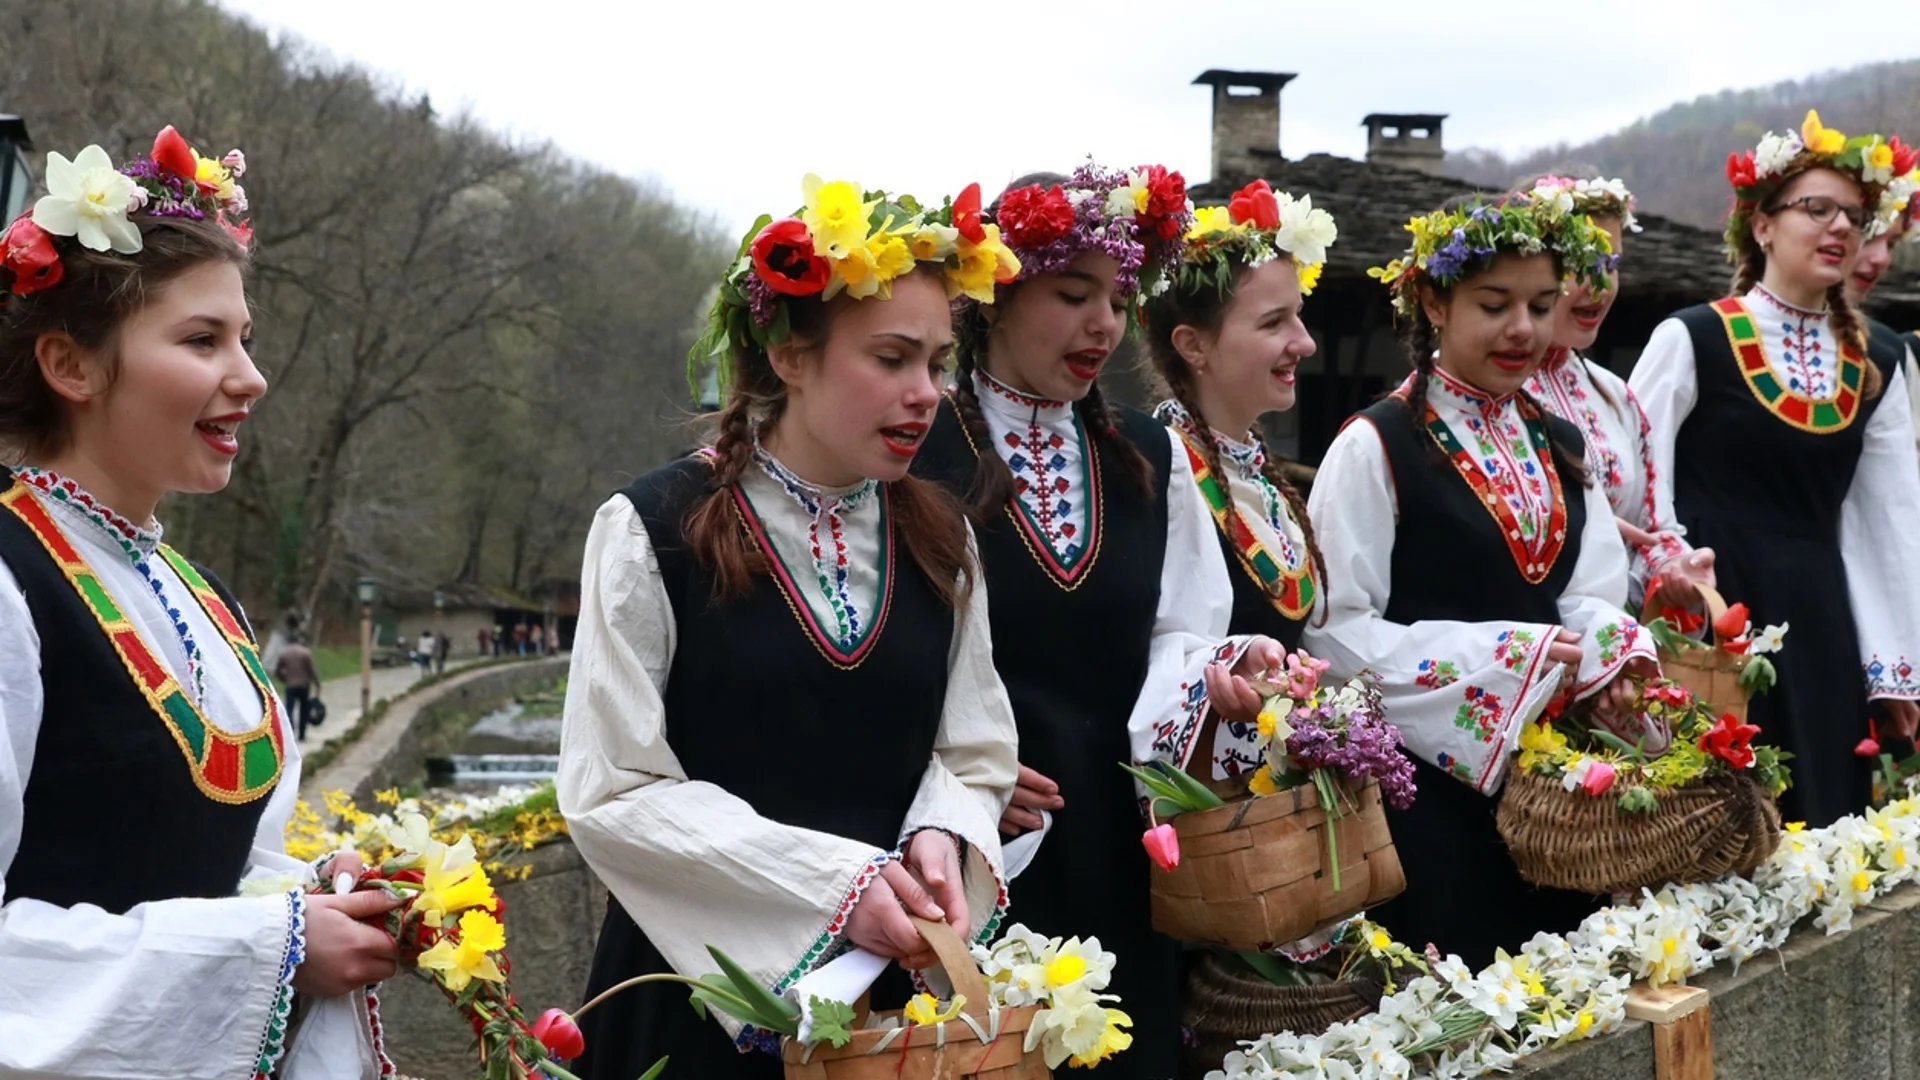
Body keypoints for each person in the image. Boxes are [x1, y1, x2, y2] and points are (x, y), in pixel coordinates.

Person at [558, 176, 1021, 1079]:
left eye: (937, 363)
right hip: (694, 1001)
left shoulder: (941, 533)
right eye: (891, 359)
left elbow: (973, 749)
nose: (926, 394)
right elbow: (610, 787)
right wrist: (831, 887)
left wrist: (943, 835)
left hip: (894, 1004)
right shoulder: (653, 525)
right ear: (788, 354)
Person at [0, 126, 396, 1077]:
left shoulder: (200, 596)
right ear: (73, 366)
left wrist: (314, 897)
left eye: (244, 340)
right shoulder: (10, 583)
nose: (250, 377)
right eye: (201, 339)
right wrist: (279, 950)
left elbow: (218, 862)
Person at [913, 163, 1282, 1078]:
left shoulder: (1149, 454)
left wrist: (1219, 675)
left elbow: (1180, 632)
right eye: (1073, 294)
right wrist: (951, 785)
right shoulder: (917, 447)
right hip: (976, 849)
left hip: (1126, 842)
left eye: (1118, 298)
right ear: (993, 298)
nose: (1104, 325)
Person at [1304, 191, 1659, 966]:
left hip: (1559, 806)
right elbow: (1333, 630)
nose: (1523, 329)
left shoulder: (1562, 442)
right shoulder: (1376, 445)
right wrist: (1505, 662)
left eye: (1540, 304)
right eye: (1494, 304)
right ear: (1433, 300)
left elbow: (1590, 590)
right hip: (1426, 797)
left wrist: (1611, 657)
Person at [1631, 113, 1920, 826]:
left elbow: (1888, 521)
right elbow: (1633, 476)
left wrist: (1892, 670)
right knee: (1706, 821)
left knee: (1820, 816)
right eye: (1816, 209)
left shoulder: (1879, 360)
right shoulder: (1692, 336)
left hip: (1822, 620)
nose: (1842, 228)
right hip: (1713, 617)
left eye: (1854, 216)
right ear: (1761, 225)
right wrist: (1668, 584)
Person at [1133, 180, 1337, 783]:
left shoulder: (1263, 477)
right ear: (1193, 345)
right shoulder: (1154, 477)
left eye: (1298, 317)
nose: (1304, 342)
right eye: (1275, 322)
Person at [1519, 175, 1715, 610]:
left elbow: (1655, 529)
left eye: (1611, 264)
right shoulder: (1471, 388)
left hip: (1613, 647)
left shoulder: (1617, 397)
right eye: (1580, 262)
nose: (1601, 285)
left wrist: (1676, 568)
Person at [275, 632, 320, 740]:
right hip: (304, 685)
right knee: (304, 709)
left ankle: (290, 731)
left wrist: (283, 679)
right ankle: (302, 734)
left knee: (289, 708)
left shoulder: (284, 653)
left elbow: (278, 670)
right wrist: (317, 683)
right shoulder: (305, 653)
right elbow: (311, 670)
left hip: (290, 684)